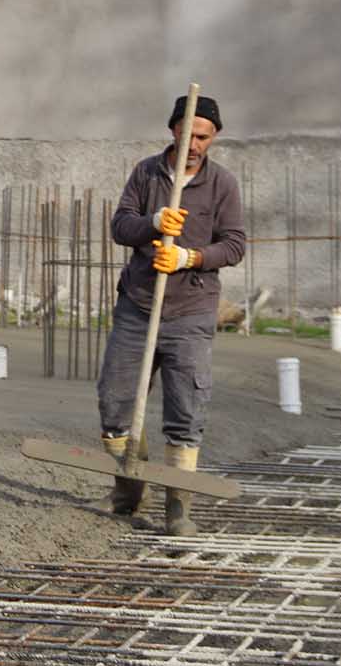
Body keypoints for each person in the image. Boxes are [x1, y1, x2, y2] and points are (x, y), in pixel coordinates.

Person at [96, 95, 245, 537]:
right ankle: (127, 493)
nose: (194, 143)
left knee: (186, 405)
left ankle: (178, 509)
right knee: (115, 402)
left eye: (203, 136)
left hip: (191, 309)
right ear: (173, 130)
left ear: (213, 137)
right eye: (188, 133)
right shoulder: (146, 173)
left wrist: (190, 257)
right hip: (138, 305)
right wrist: (155, 222)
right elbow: (121, 226)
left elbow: (234, 245)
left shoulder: (223, 185)